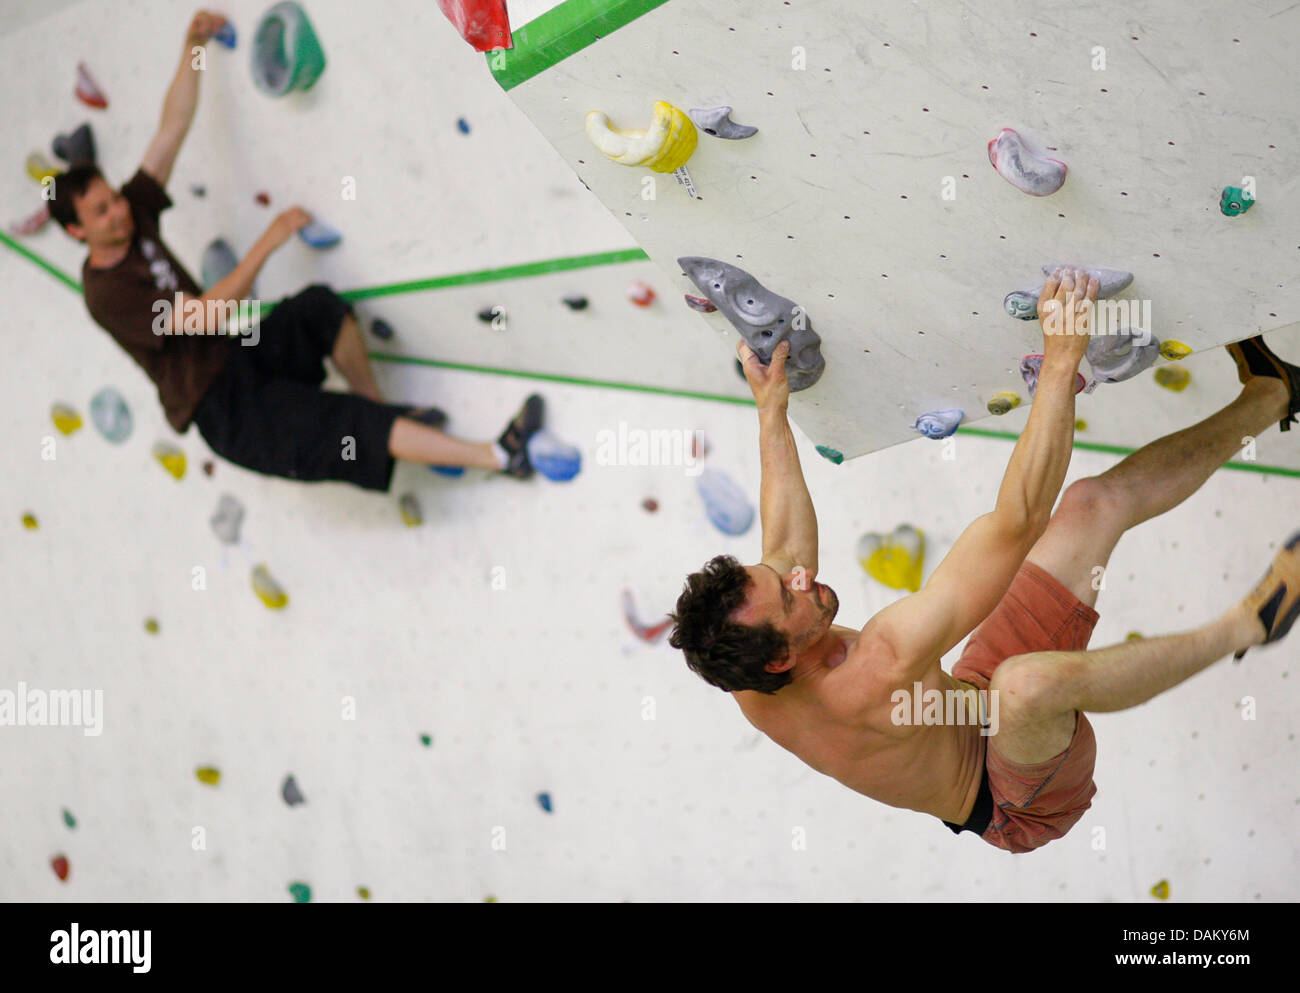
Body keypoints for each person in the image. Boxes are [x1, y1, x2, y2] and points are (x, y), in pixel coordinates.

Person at [669, 267, 1300, 853]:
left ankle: (1274, 395)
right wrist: (1061, 362)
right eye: (789, 596)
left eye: (779, 576)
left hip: (967, 700)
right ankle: (1251, 623)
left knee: (1088, 505)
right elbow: (1017, 522)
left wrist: (770, 407)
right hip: (1016, 799)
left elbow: (784, 541)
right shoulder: (882, 663)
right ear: (781, 657)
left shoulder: (746, 664)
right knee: (1026, 686)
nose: (798, 575)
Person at [48, 10, 543, 493]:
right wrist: (271, 237)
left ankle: (380, 409)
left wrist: (192, 48)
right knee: (347, 426)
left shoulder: (133, 213)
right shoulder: (106, 293)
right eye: (101, 212)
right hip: (225, 411)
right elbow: (202, 316)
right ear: (76, 231)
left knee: (318, 310)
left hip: (238, 357)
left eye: (112, 197)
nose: (118, 211)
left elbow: (171, 130)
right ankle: (499, 456)